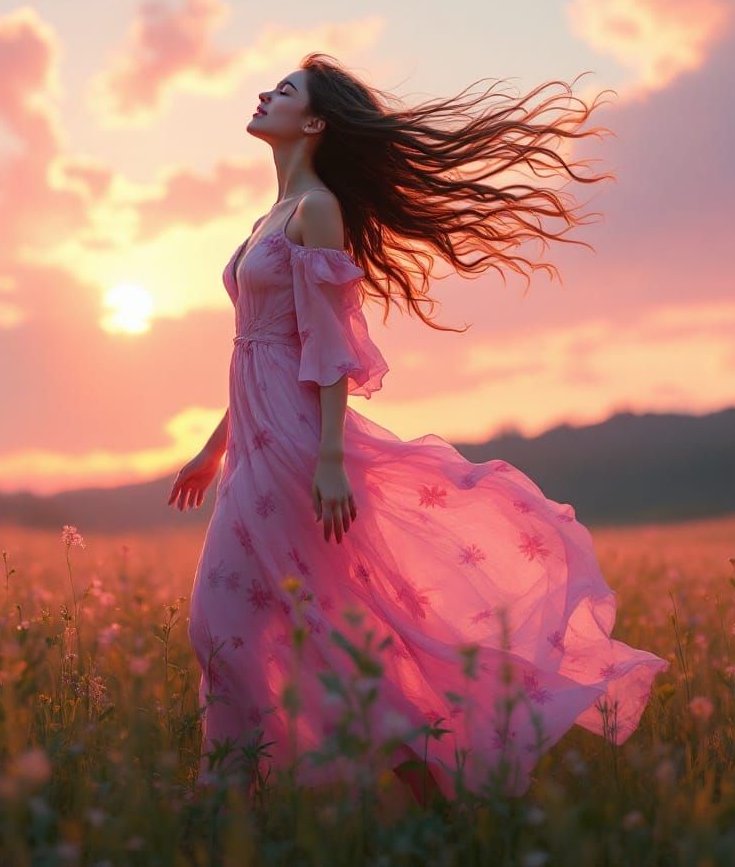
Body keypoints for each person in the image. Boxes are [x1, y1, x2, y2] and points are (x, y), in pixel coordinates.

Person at [168, 53, 667, 805]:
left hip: (297, 448)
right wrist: (214, 449)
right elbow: (254, 350)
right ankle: (270, 795)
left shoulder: (316, 210)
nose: (265, 92)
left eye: (286, 90)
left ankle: (302, 793)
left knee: (237, 621)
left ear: (313, 123)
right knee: (255, 625)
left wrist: (330, 457)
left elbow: (327, 348)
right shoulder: (268, 217)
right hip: (256, 441)